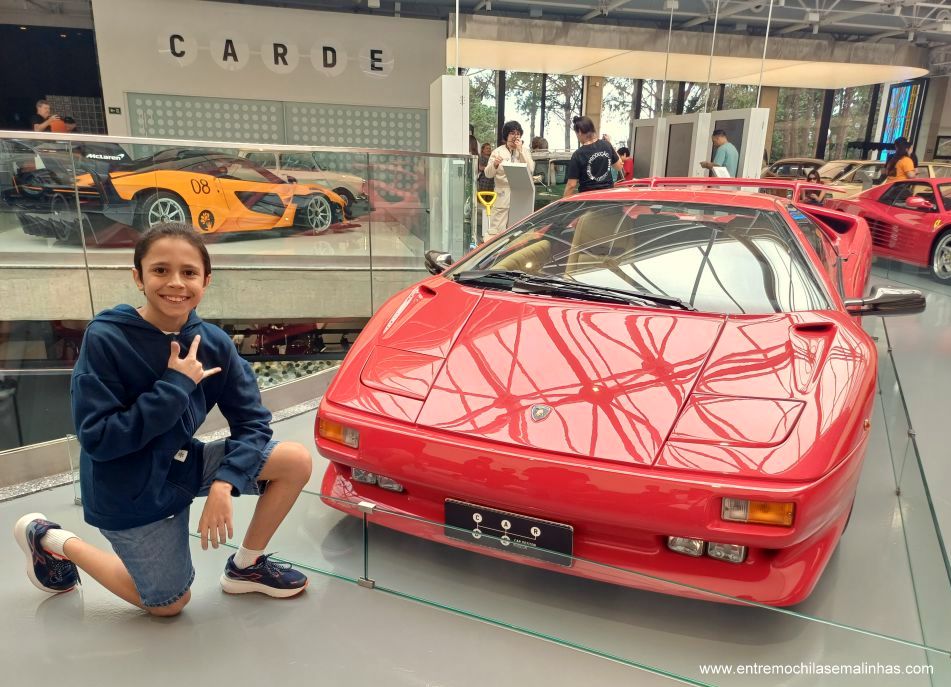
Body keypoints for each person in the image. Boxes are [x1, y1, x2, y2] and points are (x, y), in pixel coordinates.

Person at [14, 223, 313, 616]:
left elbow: (253, 421)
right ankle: (51, 538)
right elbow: (99, 439)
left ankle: (247, 568)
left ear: (206, 280)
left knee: (294, 461)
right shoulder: (106, 338)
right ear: (138, 277)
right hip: (127, 488)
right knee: (168, 605)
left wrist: (225, 483)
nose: (176, 283)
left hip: (178, 466)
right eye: (160, 270)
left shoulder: (212, 342)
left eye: (189, 272)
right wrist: (174, 385)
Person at [484, 121, 535, 237]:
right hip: (502, 192)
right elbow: (488, 174)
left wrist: (521, 151)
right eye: (512, 133)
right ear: (506, 135)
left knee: (518, 229)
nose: (515, 136)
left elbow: (530, 169)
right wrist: (495, 165)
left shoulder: (525, 151)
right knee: (497, 229)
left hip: (521, 193)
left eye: (518, 133)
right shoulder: (498, 152)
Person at [563, 115, 622, 198]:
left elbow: (571, 185)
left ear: (579, 131)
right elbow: (619, 166)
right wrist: (610, 144)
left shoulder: (578, 154)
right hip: (608, 198)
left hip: (589, 201)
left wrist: (563, 204)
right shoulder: (607, 145)